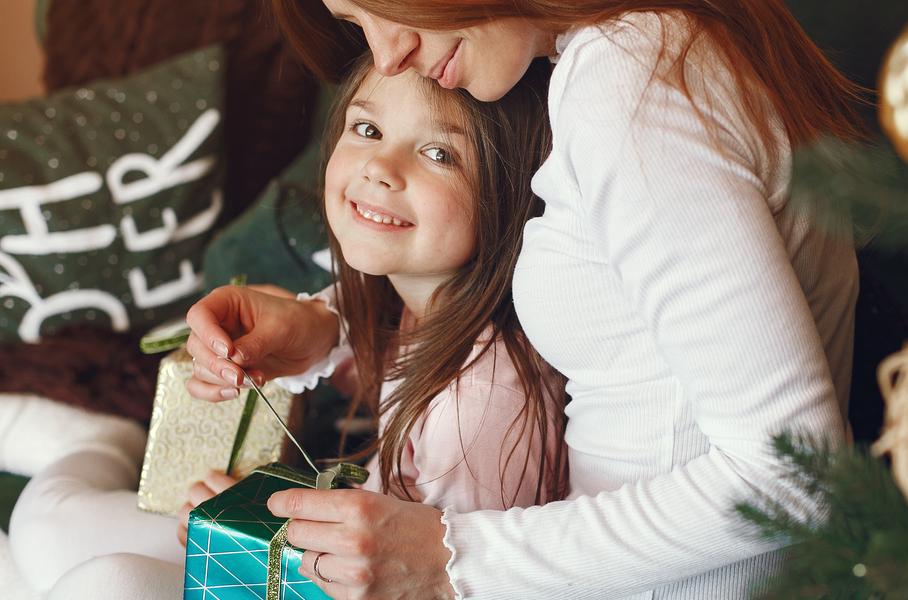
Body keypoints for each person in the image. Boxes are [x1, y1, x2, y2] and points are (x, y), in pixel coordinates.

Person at [187, 0, 866, 597]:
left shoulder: (633, 83)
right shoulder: (639, 52)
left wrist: (451, 559)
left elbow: (791, 475)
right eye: (356, 22)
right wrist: (326, 323)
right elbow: (603, 298)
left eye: (386, 6)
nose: (389, 54)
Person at [13, 52, 565, 599]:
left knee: (105, 581)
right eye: (367, 128)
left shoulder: (484, 400)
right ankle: (98, 440)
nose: (379, 166)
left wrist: (255, 544)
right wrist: (253, 523)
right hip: (317, 570)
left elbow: (425, 580)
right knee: (43, 527)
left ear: (513, 194)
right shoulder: (417, 314)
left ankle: (88, 443)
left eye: (439, 153)